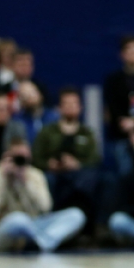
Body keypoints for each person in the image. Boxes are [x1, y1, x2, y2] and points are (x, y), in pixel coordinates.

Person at [0, 137, 85, 252]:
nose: (21, 161)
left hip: (33, 224)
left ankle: (41, 244)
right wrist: (5, 181)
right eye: (17, 157)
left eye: (24, 157)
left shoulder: (35, 175)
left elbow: (45, 208)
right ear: (8, 156)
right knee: (18, 219)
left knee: (76, 215)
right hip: (3, 227)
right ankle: (44, 240)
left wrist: (25, 182)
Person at [32, 87, 100, 224]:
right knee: (46, 180)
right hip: (53, 173)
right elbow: (36, 158)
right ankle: (48, 221)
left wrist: (77, 164)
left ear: (80, 107)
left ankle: (88, 223)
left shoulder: (87, 132)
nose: (70, 107)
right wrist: (49, 164)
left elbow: (95, 158)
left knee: (90, 177)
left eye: (74, 103)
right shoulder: (47, 131)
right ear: (59, 108)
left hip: (79, 174)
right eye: (66, 104)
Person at [104, 35, 134, 175]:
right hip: (120, 133)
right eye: (129, 50)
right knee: (123, 163)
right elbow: (112, 106)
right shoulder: (113, 80)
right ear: (122, 54)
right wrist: (126, 123)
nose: (132, 54)